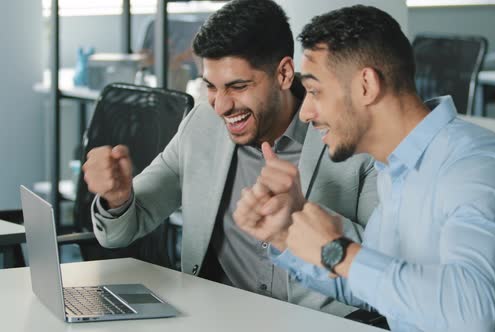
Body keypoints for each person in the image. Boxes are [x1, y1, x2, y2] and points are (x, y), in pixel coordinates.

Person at [233, 5, 495, 331]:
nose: (305, 112)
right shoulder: (396, 169)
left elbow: (470, 313)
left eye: (314, 91)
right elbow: (381, 291)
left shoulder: (476, 168)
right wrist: (287, 236)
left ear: (366, 85)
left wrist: (336, 252)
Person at [82, 0, 377, 317]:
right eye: (210, 86)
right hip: (211, 317)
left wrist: (300, 216)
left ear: (284, 73)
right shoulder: (202, 124)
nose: (221, 105)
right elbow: (120, 232)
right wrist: (116, 198)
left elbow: (384, 278)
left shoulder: (357, 137)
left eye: (238, 86)